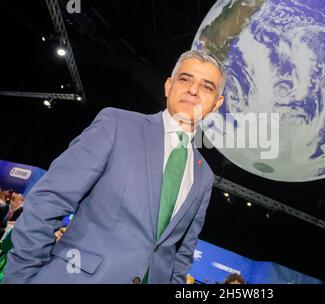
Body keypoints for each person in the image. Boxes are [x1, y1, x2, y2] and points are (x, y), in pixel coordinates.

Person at [2, 49, 225, 284]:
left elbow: (181, 256)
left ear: (216, 104)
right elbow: (49, 201)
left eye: (207, 86)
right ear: (169, 86)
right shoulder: (117, 125)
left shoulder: (204, 176)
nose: (193, 90)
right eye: (185, 79)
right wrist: (21, 278)